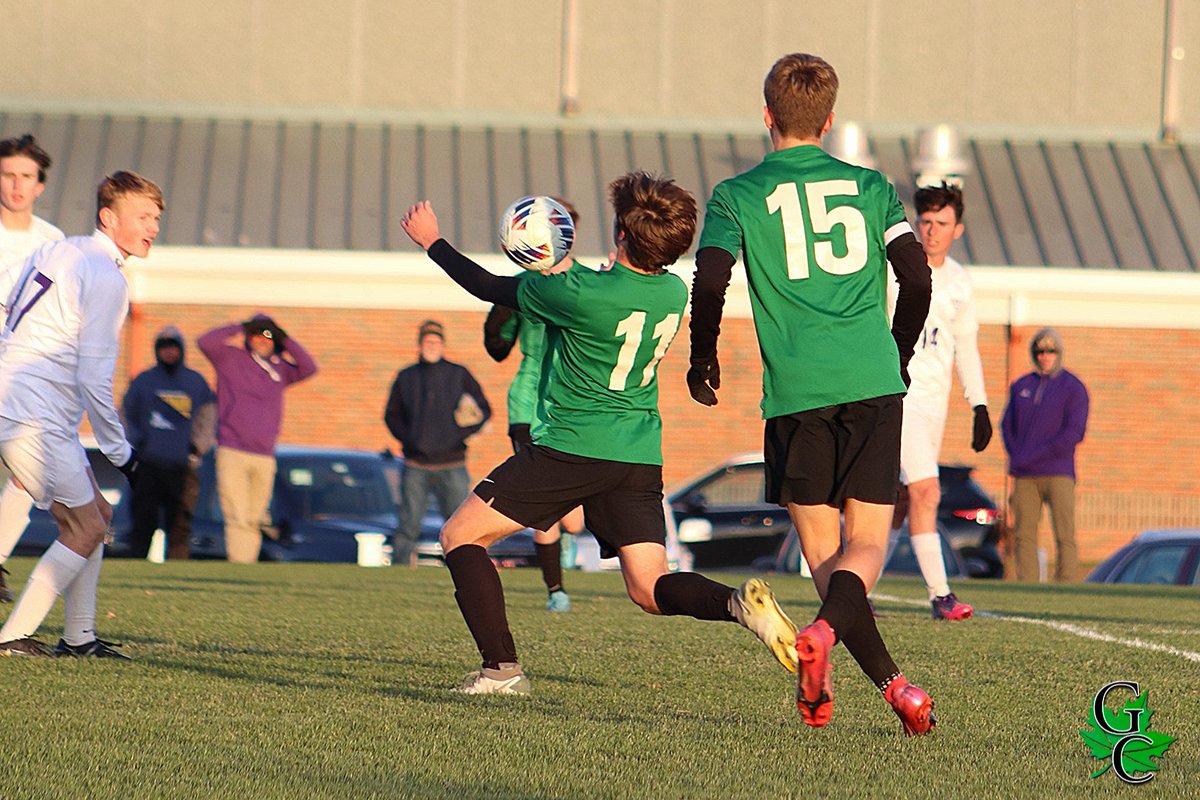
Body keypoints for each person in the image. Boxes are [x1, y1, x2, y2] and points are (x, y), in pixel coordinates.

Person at [401, 170, 799, 697]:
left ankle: (501, 671)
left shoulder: (577, 292)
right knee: (649, 587)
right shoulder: (671, 292)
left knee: (458, 536)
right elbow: (600, 288)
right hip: (636, 456)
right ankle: (736, 604)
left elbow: (488, 286)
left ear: (621, 235)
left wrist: (433, 240)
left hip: (571, 448)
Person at [688, 53, 935, 735]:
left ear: (767, 117)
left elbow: (709, 283)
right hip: (871, 383)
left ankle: (897, 690)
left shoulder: (736, 195)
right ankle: (846, 654)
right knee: (864, 550)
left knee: (825, 559)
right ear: (829, 121)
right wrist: (899, 355)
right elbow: (917, 282)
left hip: (796, 394)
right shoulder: (872, 186)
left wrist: (702, 356)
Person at [0, 170, 162, 658]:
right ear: (108, 217)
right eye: (141, 216)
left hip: (27, 407)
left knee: (99, 515)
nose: (152, 226)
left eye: (156, 217)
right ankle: (12, 637)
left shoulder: (58, 248)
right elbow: (95, 377)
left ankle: (80, 637)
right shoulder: (106, 276)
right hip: (34, 415)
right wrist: (121, 452)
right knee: (85, 527)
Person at [884, 181, 991, 621]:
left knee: (896, 502)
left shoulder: (961, 283)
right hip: (897, 395)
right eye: (924, 221)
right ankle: (941, 593)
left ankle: (852, 591)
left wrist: (980, 405)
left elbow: (965, 347)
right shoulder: (892, 273)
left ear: (957, 229)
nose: (931, 230)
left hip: (934, 404)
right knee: (926, 491)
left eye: (941, 223)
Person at [483, 198, 584, 612]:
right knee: (544, 505)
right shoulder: (523, 289)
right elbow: (497, 348)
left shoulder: (585, 284)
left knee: (574, 520)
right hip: (527, 406)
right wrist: (500, 315)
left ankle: (559, 564)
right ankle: (556, 591)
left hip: (569, 405)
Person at [0, 134, 65, 602]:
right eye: (8, 175)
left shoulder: (52, 241)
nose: (17, 185)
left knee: (28, 476)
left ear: (39, 184)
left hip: (26, 375)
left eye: (26, 176)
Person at [199, 314, 317, 563]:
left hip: (264, 454)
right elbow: (205, 342)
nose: (263, 341)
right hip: (233, 450)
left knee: (255, 516)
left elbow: (309, 367)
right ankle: (240, 564)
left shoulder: (280, 369)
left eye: (268, 337)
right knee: (237, 515)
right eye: (257, 335)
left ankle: (248, 563)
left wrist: (286, 339)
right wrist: (241, 326)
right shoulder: (231, 359)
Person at [384, 320, 491, 568]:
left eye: (436, 342)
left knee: (459, 525)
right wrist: (410, 439)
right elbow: (392, 415)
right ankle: (398, 573)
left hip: (452, 463)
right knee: (408, 524)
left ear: (443, 345)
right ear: (419, 344)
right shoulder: (406, 377)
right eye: (427, 341)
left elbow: (484, 410)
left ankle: (461, 571)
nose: (431, 346)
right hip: (416, 463)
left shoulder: (459, 374)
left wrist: (460, 433)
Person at [1001, 328, 1089, 582]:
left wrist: (1037, 454)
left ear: (1059, 354)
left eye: (1051, 351)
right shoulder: (1021, 386)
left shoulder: (1073, 387)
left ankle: (1066, 583)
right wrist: (1017, 456)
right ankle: (1027, 584)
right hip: (1025, 475)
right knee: (1023, 534)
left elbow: (1074, 432)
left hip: (1059, 472)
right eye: (1040, 351)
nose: (1045, 356)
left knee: (1065, 533)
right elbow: (1007, 426)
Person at [121, 326, 216, 559]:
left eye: (173, 348)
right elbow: (124, 414)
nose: (169, 353)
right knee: (143, 523)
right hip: (148, 465)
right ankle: (137, 567)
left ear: (181, 350)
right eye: (164, 349)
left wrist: (198, 447)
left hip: (182, 467)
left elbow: (209, 416)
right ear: (157, 351)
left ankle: (177, 569)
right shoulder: (144, 381)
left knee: (180, 526)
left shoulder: (195, 382)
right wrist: (135, 441)